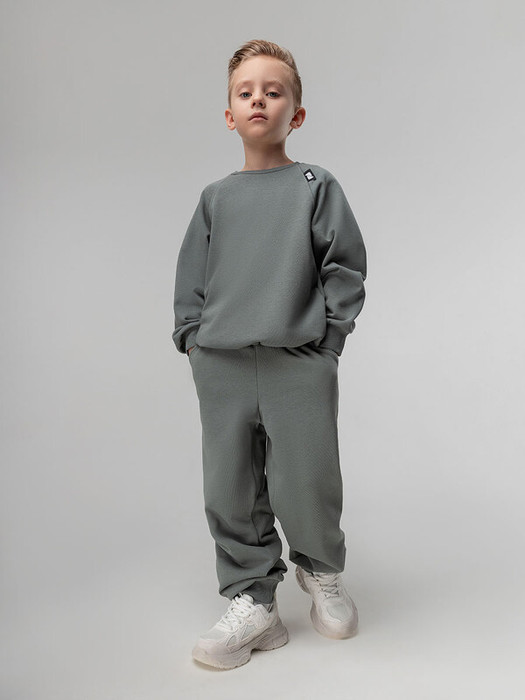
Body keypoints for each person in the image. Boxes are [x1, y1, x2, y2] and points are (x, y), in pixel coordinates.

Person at [172, 38, 367, 670]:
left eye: (274, 91)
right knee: (228, 484)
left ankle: (321, 571)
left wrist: (329, 341)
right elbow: (192, 276)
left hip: (298, 359)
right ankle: (254, 602)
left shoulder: (315, 185)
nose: (259, 99)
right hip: (222, 363)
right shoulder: (216, 197)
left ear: (296, 113)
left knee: (307, 476)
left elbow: (344, 265)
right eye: (246, 92)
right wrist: (192, 338)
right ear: (229, 114)